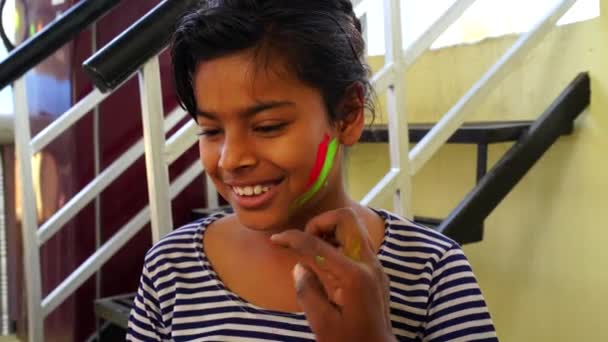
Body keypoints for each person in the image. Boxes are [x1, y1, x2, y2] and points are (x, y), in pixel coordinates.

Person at [127, 0, 499, 341]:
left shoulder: (431, 272)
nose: (229, 159)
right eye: (211, 130)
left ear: (347, 115)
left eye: (268, 126)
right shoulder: (171, 268)